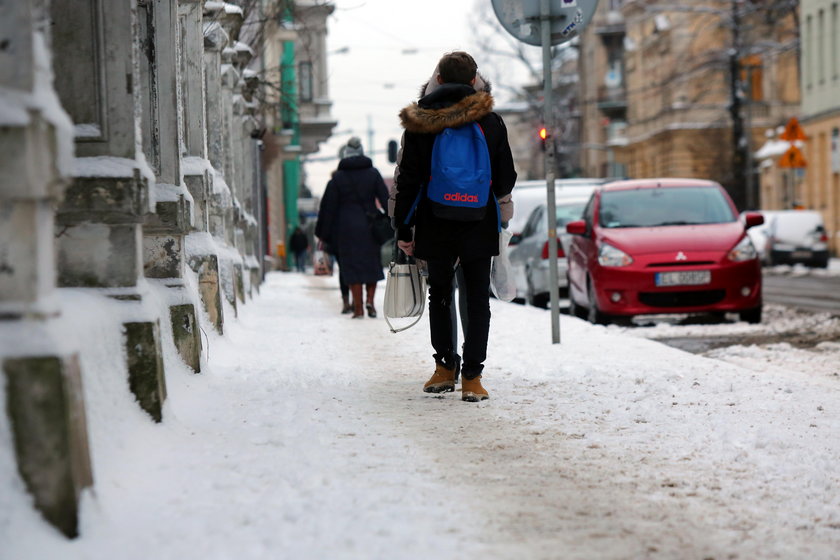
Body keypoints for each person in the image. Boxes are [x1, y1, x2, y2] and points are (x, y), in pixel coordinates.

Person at [391, 52, 516, 402]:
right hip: (478, 221)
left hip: (435, 219)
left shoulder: (421, 121)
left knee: (441, 294)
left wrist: (403, 228)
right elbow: (506, 177)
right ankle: (473, 378)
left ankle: (445, 368)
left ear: (440, 80)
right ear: (475, 80)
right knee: (477, 297)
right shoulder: (491, 122)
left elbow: (409, 180)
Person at [315, 137, 390, 318]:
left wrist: (323, 234)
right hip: (370, 225)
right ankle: (370, 302)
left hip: (345, 228)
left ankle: (358, 308)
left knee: (352, 268)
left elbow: (328, 208)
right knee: (371, 265)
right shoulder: (373, 174)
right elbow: (386, 199)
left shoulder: (337, 179)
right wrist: (392, 220)